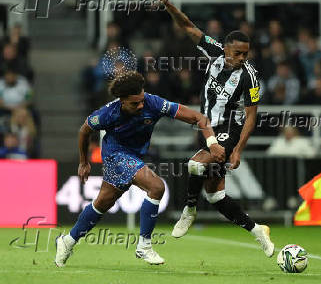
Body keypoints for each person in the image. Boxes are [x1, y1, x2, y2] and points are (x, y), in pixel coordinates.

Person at [54, 71, 226, 267]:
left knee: (103, 202)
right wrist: (84, 162)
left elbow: (199, 118)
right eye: (135, 103)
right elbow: (84, 131)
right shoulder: (107, 113)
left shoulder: (154, 103)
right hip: (115, 154)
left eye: (142, 100)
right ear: (122, 101)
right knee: (157, 187)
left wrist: (212, 142)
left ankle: (67, 240)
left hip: (134, 156)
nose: (141, 105)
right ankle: (144, 246)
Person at [152, 0, 274, 257]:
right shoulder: (214, 51)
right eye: (238, 53)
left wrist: (238, 148)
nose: (242, 58)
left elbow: (252, 115)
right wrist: (169, 5)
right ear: (227, 48)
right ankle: (258, 231)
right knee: (216, 195)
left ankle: (189, 209)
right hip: (205, 127)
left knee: (195, 164)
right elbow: (187, 26)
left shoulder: (249, 77)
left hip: (229, 130)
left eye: (246, 54)